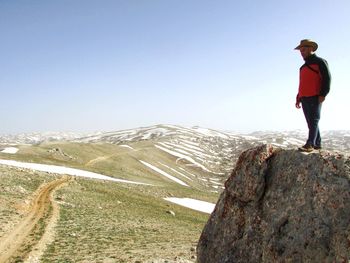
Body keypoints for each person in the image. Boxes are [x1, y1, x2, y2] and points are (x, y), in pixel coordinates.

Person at [294, 39, 331, 152]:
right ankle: (317, 144)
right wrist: (298, 97)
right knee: (311, 122)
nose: (302, 52)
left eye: (303, 50)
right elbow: (302, 84)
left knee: (314, 120)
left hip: (315, 96)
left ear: (311, 49)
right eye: (300, 51)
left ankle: (310, 144)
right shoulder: (303, 67)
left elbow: (327, 78)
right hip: (304, 97)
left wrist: (323, 94)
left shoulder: (320, 62)